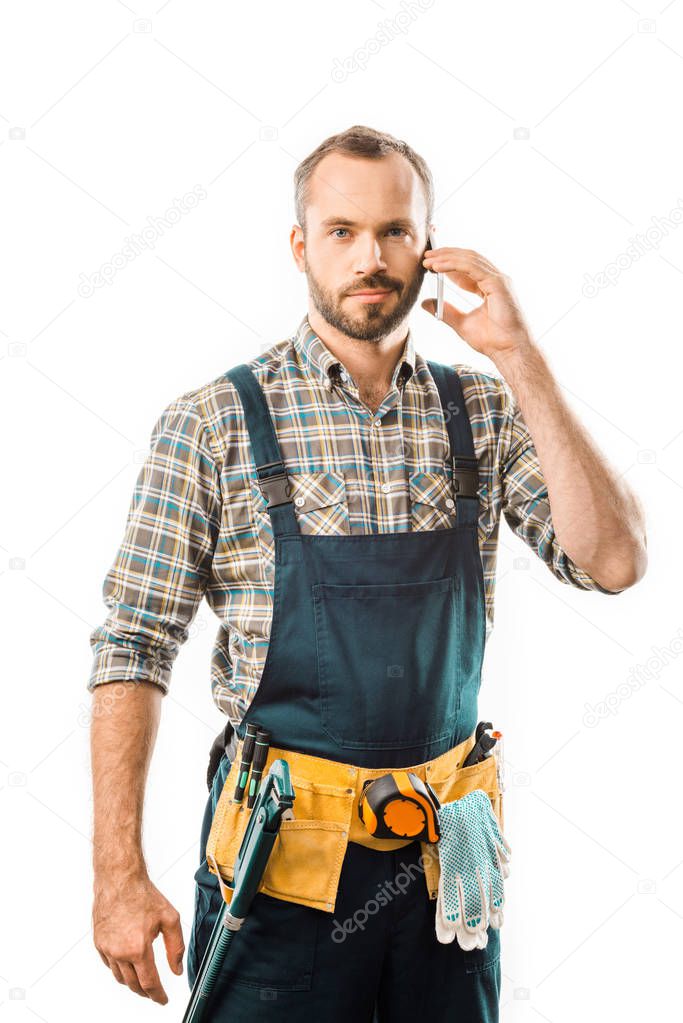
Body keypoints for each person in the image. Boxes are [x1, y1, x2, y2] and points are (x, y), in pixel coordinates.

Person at [87, 125, 647, 1020]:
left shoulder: (486, 411)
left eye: (395, 231)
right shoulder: (216, 421)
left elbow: (613, 561)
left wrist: (518, 355)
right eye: (342, 230)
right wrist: (118, 875)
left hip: (443, 869)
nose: (371, 256)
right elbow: (133, 643)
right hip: (277, 875)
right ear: (301, 245)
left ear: (428, 247)